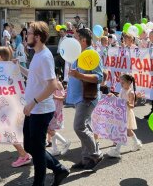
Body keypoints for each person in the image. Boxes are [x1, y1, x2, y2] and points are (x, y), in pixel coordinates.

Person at [17, 21, 69, 186]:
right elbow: (33, 75)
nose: (26, 37)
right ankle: (59, 168)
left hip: (40, 109)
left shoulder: (45, 56)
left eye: (29, 34)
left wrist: (33, 103)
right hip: (33, 109)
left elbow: (52, 85)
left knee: (37, 149)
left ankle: (39, 183)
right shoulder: (37, 54)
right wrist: (18, 67)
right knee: (30, 146)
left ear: (37, 37)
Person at [66, 28, 104, 170]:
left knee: (79, 127)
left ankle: (96, 153)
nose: (73, 40)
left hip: (87, 97)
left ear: (82, 40)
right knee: (85, 127)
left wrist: (79, 76)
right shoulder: (78, 54)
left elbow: (99, 77)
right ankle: (86, 159)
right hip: (78, 97)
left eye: (75, 37)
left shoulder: (91, 54)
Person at [107, 74, 142, 158]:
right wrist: (113, 96)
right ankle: (137, 143)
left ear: (129, 82)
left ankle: (117, 150)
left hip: (126, 113)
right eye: (121, 82)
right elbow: (119, 100)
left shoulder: (131, 92)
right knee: (128, 131)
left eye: (123, 82)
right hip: (121, 113)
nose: (121, 84)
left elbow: (132, 106)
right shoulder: (122, 89)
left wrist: (127, 103)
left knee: (122, 131)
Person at [48, 79, 71, 156]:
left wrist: (54, 97)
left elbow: (63, 98)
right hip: (51, 108)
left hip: (55, 109)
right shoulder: (48, 82)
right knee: (51, 129)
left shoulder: (57, 83)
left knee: (48, 129)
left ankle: (65, 142)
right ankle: (55, 149)